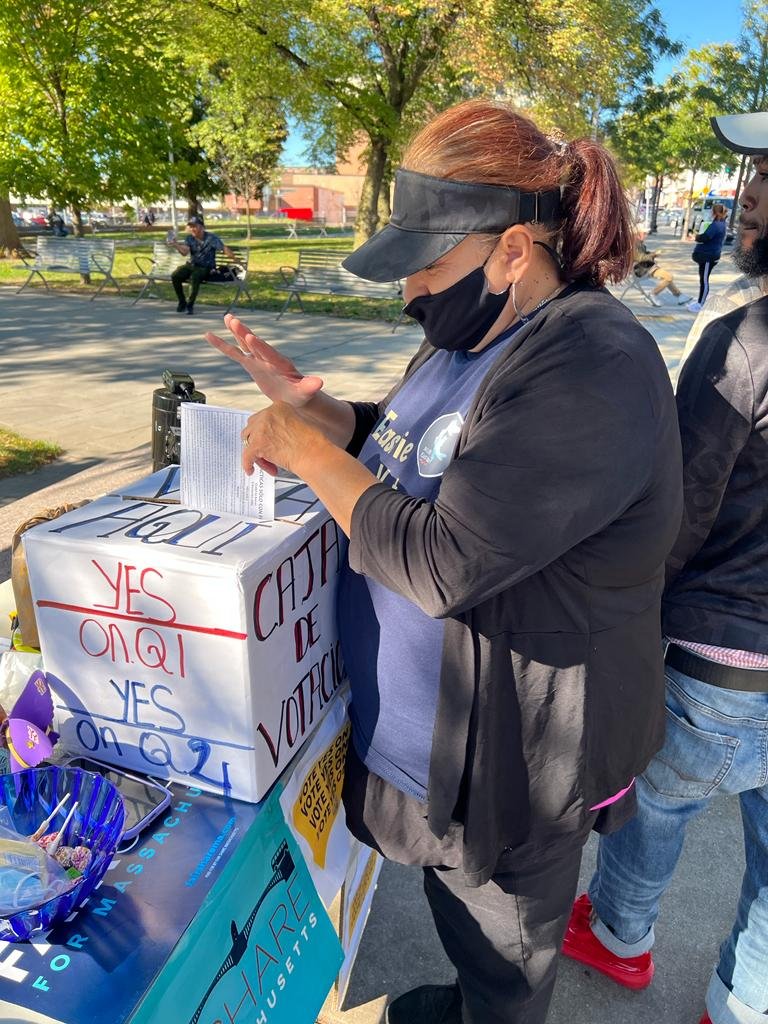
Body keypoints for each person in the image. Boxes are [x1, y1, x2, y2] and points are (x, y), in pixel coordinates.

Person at [204, 98, 683, 1024]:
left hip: (514, 767)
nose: (412, 290)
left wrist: (309, 458)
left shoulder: (593, 361)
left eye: (428, 263)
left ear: (513, 249)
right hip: (429, 753)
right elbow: (423, 456)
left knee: (505, 963)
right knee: (462, 932)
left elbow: (447, 556)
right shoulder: (470, 334)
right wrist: (328, 419)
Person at [562, 110, 768, 1024]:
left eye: (767, 173)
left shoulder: (749, 343)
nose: (750, 189)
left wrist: (617, 614)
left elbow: (676, 510)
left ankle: (620, 935)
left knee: (657, 806)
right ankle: (744, 1001)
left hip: (723, 652)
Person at [168, 215, 236, 315]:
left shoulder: (211, 238)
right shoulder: (189, 238)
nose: (192, 229)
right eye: (190, 227)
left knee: (195, 276)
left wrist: (233, 257)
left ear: (202, 227)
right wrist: (175, 244)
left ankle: (190, 305)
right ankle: (182, 302)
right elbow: (185, 252)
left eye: (194, 226)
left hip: (206, 267)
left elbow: (223, 248)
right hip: (192, 265)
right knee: (175, 275)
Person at [688, 202, 728, 312]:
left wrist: (696, 236)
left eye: (712, 211)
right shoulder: (720, 223)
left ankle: (701, 304)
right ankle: (700, 301)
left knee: (704, 280)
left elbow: (705, 237)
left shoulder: (716, 225)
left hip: (709, 256)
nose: (710, 212)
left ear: (715, 212)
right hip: (709, 255)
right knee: (703, 279)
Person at [633, 232, 692, 306]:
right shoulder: (634, 245)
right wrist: (654, 254)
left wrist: (654, 254)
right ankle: (653, 294)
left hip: (647, 267)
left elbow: (643, 255)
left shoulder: (639, 244)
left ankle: (679, 295)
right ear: (638, 235)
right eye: (644, 234)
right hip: (643, 269)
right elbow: (640, 258)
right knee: (669, 277)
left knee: (668, 277)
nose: (646, 235)